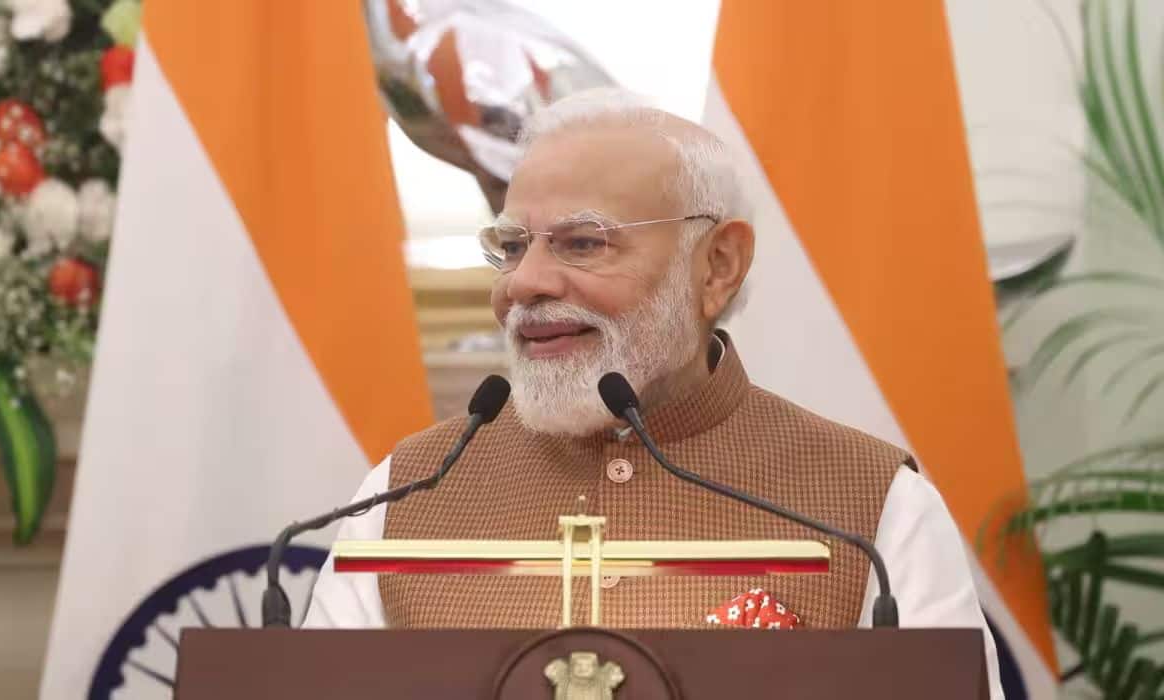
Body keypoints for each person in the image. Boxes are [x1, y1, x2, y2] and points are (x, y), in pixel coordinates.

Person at [305, 89, 1005, 698]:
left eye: (582, 243)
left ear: (718, 266)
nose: (523, 284)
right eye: (513, 246)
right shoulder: (408, 493)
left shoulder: (873, 503)